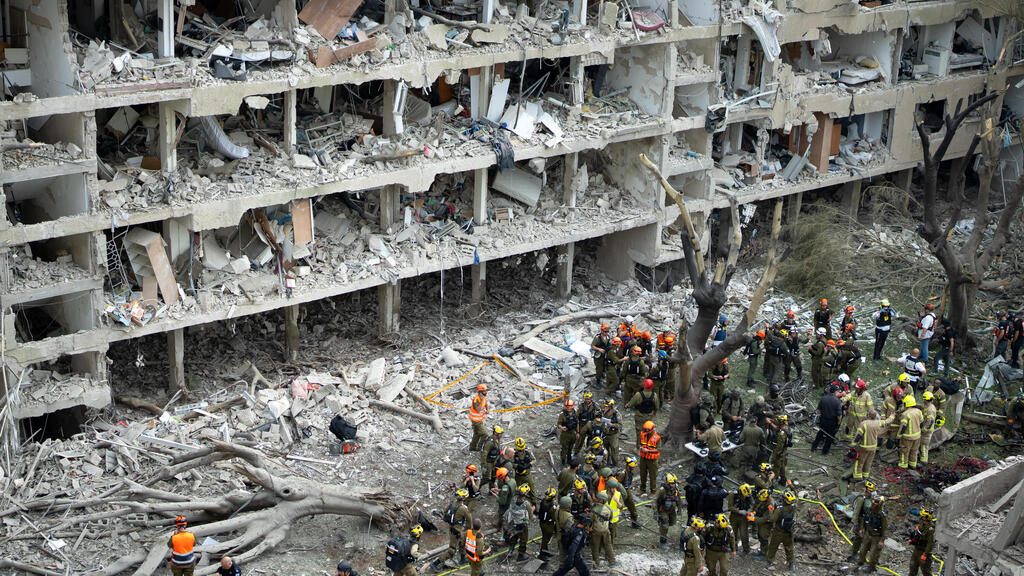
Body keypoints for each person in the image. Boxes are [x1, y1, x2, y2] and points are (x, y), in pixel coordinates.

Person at [435, 489, 473, 570]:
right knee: (452, 551)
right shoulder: (464, 508)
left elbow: (445, 512)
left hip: (452, 528)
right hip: (457, 531)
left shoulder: (452, 504)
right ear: (464, 499)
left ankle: (462, 559)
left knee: (462, 542)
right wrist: (469, 529)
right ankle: (436, 563)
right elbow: (469, 520)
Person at [852, 410, 894, 481]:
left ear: (868, 415)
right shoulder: (878, 423)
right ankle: (866, 476)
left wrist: (853, 445)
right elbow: (887, 421)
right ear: (876, 416)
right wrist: (892, 415)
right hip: (873, 447)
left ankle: (857, 477)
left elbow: (858, 436)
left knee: (860, 462)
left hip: (864, 447)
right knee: (868, 462)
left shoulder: (864, 424)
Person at [765, 491, 796, 571]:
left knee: (773, 546)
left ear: (785, 500)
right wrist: (792, 487)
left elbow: (772, 519)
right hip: (789, 531)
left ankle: (770, 561)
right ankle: (791, 563)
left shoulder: (779, 510)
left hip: (779, 532)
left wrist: (771, 510)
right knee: (789, 547)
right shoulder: (794, 507)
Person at [856, 495, 888, 574]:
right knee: (863, 549)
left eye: (875, 504)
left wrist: (882, 540)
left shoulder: (882, 516)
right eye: (873, 503)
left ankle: (872, 567)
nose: (873, 505)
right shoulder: (869, 510)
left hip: (876, 536)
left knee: (874, 553)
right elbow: (864, 519)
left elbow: (885, 529)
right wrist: (862, 528)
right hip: (868, 533)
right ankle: (860, 562)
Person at [504, 484, 534, 562]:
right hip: (522, 525)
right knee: (523, 539)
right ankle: (521, 554)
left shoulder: (513, 499)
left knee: (513, 536)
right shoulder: (526, 504)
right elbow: (530, 516)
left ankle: (510, 551)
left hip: (512, 523)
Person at [847, 481, 877, 560]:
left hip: (869, 522)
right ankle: (854, 553)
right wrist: (855, 522)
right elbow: (856, 512)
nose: (873, 494)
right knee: (858, 538)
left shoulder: (873, 500)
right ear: (867, 491)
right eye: (871, 492)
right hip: (861, 521)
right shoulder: (861, 499)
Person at [811, 386, 843, 455]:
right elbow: (839, 415)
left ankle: (813, 447)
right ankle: (824, 452)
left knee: (820, 434)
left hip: (823, 420)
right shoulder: (838, 401)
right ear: (835, 392)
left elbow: (818, 411)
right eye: (837, 391)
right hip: (832, 422)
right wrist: (838, 422)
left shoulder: (823, 398)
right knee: (829, 437)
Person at [627, 380, 660, 446]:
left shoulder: (638, 395)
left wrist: (627, 405)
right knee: (648, 431)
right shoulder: (654, 395)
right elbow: (657, 407)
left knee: (639, 432)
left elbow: (630, 404)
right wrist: (654, 413)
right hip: (649, 417)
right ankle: (647, 444)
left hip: (639, 416)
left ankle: (639, 447)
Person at [655, 473, 683, 550]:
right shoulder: (662, 490)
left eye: (674, 483)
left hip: (672, 509)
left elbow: (679, 499)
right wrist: (656, 512)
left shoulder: (676, 489)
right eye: (671, 483)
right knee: (665, 525)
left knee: (672, 522)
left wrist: (679, 508)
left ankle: (664, 531)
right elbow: (655, 500)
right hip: (663, 510)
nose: (673, 485)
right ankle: (662, 542)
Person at [727, 484, 755, 556]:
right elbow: (730, 507)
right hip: (734, 516)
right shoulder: (733, 494)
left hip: (744, 517)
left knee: (744, 534)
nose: (745, 497)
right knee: (733, 533)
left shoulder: (748, 494)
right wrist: (739, 511)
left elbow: (752, 504)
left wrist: (750, 511)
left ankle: (746, 549)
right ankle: (733, 547)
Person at [898, 395, 924, 469]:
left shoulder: (905, 414)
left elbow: (903, 427)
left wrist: (899, 435)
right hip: (917, 436)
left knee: (904, 452)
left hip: (907, 437)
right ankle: (912, 465)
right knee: (914, 451)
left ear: (906, 404)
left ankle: (903, 466)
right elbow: (922, 424)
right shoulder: (919, 411)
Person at [590, 491, 614, 566]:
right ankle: (612, 561)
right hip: (606, 530)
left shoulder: (594, 509)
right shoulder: (609, 508)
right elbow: (611, 518)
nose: (596, 499)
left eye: (598, 498)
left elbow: (591, 520)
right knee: (608, 545)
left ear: (601, 500)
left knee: (595, 547)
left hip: (596, 531)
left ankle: (596, 562)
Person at [908, 510, 936, 576]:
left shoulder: (930, 529)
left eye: (923, 516)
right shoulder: (921, 525)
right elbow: (916, 534)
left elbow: (930, 543)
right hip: (916, 550)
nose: (922, 517)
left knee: (926, 571)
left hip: (923, 552)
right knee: (912, 569)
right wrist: (912, 540)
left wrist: (925, 554)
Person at [615, 459, 641, 528]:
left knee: (632, 506)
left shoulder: (629, 472)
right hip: (620, 492)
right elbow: (616, 484)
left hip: (626, 490)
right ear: (628, 466)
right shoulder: (622, 473)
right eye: (633, 467)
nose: (634, 468)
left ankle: (634, 522)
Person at [638, 421, 661, 494]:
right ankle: (642, 489)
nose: (646, 432)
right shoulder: (642, 434)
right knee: (642, 474)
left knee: (652, 475)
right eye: (645, 430)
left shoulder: (657, 437)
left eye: (647, 430)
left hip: (652, 460)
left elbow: (659, 449)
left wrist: (648, 451)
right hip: (643, 458)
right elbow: (638, 444)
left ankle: (653, 491)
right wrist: (641, 448)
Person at [480, 425, 504, 490]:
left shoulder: (497, 440)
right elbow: (484, 454)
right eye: (500, 433)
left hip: (494, 461)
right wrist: (484, 465)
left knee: (494, 477)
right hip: (488, 462)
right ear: (495, 433)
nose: (501, 435)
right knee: (486, 478)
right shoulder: (489, 442)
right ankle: (476, 488)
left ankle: (492, 489)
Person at [558, 400, 580, 467]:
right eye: (567, 407)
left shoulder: (575, 414)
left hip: (572, 433)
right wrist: (562, 428)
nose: (568, 408)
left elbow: (577, 423)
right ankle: (563, 462)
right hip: (565, 434)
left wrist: (578, 432)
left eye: (569, 406)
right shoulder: (562, 415)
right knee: (564, 449)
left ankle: (569, 460)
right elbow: (559, 424)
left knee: (570, 448)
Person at [770, 415, 791, 486]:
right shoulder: (787, 428)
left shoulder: (782, 433)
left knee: (776, 467)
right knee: (782, 466)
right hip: (784, 452)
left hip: (780, 453)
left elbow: (779, 446)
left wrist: (775, 454)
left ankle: (773, 482)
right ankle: (783, 480)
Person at [752, 490, 774, 555]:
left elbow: (766, 518)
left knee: (764, 538)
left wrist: (754, 519)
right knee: (760, 536)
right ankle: (762, 550)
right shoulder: (765, 500)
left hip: (767, 523)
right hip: (762, 520)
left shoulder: (770, 505)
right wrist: (754, 512)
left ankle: (764, 553)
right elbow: (760, 504)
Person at [468, 384, 489, 451]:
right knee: (485, 434)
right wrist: (482, 400)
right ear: (480, 391)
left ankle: (472, 447)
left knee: (477, 434)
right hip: (476, 421)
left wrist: (487, 409)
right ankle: (480, 447)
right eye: (484, 391)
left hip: (479, 419)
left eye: (486, 390)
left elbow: (485, 403)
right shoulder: (476, 399)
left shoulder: (483, 397)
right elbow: (478, 409)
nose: (486, 392)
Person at [920, 391, 937, 465]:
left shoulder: (930, 410)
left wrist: (924, 430)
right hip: (926, 428)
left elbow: (930, 421)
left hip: (927, 430)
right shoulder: (929, 406)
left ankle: (924, 460)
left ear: (925, 400)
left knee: (924, 445)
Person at [601, 400, 621, 464]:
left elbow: (620, 425)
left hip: (613, 435)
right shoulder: (602, 412)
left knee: (614, 450)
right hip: (605, 434)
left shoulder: (616, 414)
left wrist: (612, 425)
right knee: (605, 449)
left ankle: (615, 463)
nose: (604, 408)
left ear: (610, 407)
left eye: (606, 407)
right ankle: (606, 462)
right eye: (604, 406)